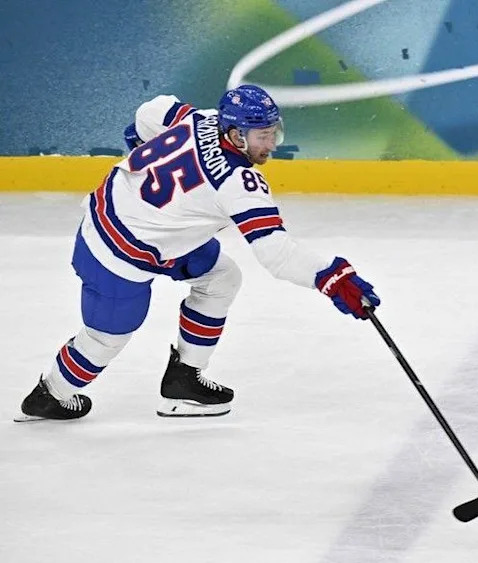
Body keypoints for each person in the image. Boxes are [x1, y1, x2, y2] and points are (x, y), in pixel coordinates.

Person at [16, 85, 380, 421]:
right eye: (262, 136)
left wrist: (141, 138)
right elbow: (277, 255)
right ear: (235, 134)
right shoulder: (238, 183)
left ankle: (184, 380)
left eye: (274, 132)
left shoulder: (199, 118)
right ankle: (49, 395)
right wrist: (332, 277)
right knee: (105, 338)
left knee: (222, 278)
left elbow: (150, 111)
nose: (271, 143)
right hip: (114, 254)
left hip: (137, 225)